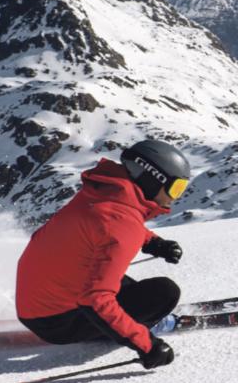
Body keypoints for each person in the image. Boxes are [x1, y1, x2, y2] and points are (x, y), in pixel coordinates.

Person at [15, 138, 192, 369]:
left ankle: (119, 320)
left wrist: (154, 242)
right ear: (152, 178)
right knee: (164, 293)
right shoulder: (123, 226)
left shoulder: (101, 194)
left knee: (115, 280)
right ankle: (146, 324)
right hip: (57, 323)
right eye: (175, 188)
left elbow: (107, 225)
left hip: (37, 298)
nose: (175, 197)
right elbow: (95, 300)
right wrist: (147, 344)